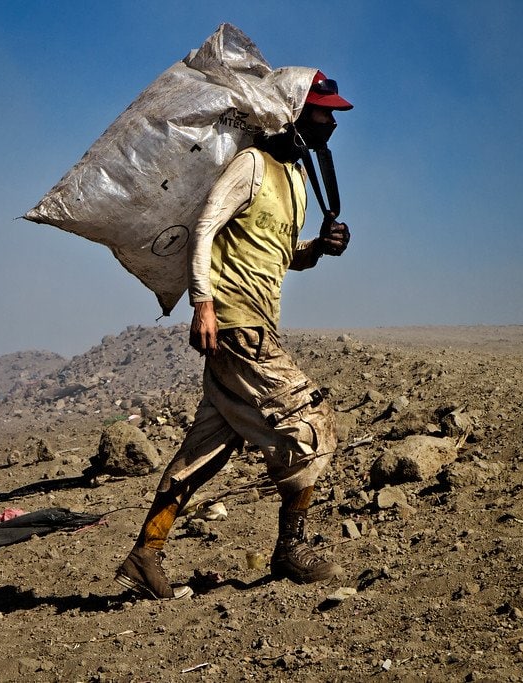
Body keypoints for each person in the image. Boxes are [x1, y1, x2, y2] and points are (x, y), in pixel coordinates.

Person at [114, 71, 354, 600]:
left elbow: (282, 256)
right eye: (323, 112)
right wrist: (202, 302)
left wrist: (319, 248)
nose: (332, 122)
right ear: (294, 112)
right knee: (312, 423)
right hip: (236, 324)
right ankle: (290, 550)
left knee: (209, 448)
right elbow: (205, 226)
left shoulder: (293, 180)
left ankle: (145, 552)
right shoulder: (251, 165)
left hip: (255, 323)